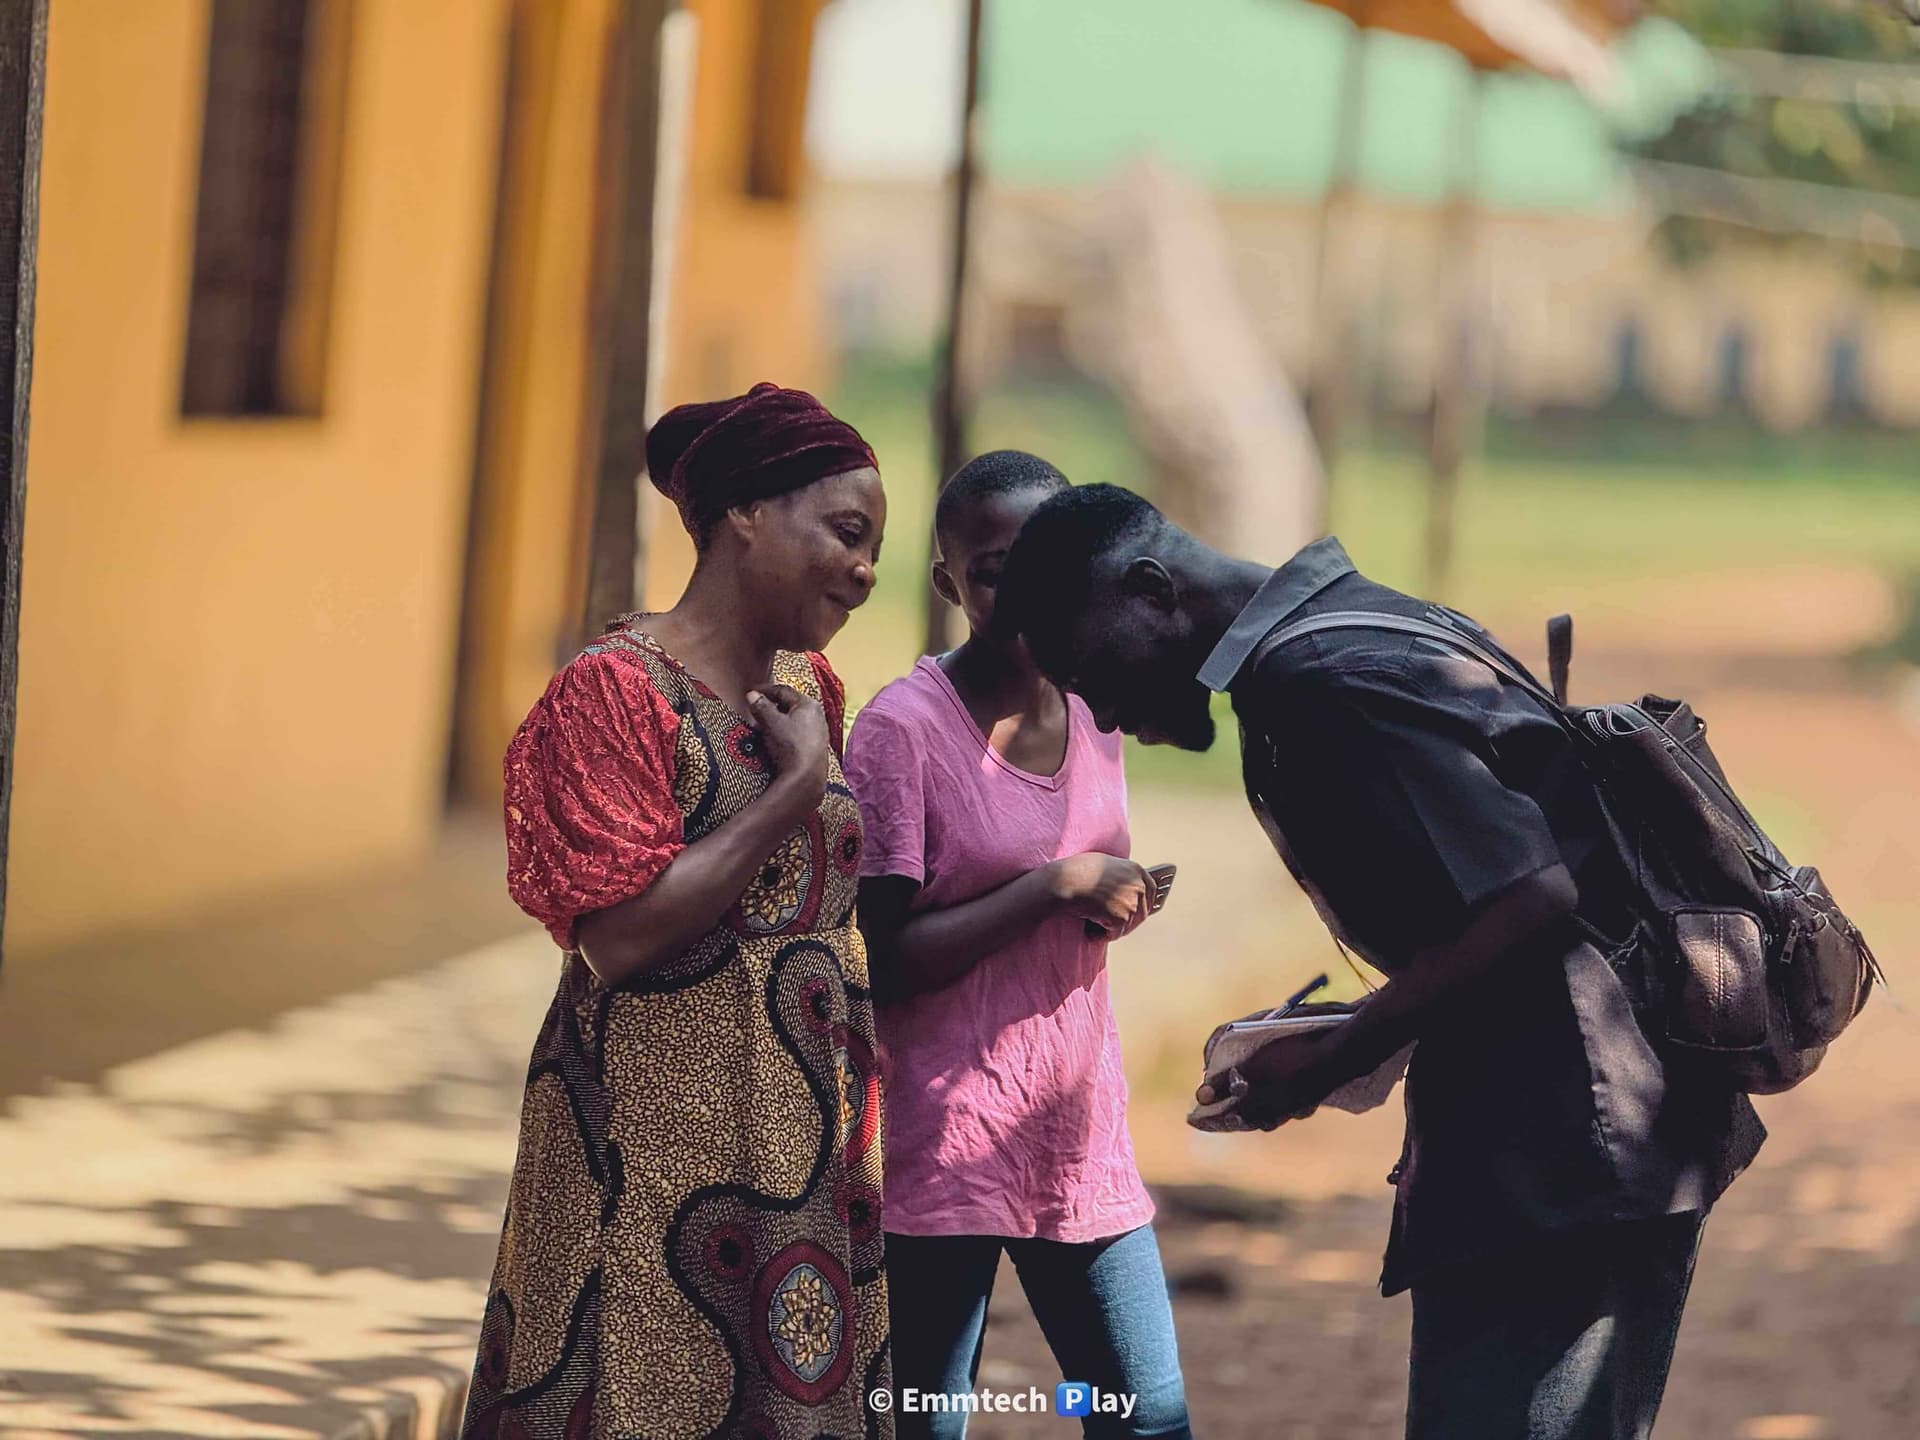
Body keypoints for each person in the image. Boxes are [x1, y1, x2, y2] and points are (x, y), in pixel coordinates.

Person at [994, 484, 1765, 1440]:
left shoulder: (1322, 677)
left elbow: (1534, 895)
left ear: (1153, 590)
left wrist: (1338, 1051)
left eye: (1090, 670)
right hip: (1570, 1132)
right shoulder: (1354, 620)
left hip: (1574, 1151)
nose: (1102, 711)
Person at [461, 383, 893, 1440]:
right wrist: (791, 794)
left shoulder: (809, 685)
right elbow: (621, 935)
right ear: (746, 512)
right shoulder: (617, 692)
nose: (866, 568)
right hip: (652, 1153)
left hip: (801, 1141)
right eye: (844, 531)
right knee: (640, 1393)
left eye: (873, 545)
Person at [842, 452, 1193, 1440]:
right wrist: (1050, 888)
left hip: (1075, 1133)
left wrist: (1097, 904)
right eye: (995, 569)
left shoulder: (1094, 706)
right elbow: (887, 956)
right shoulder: (903, 734)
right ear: (949, 581)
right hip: (941, 1144)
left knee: (1135, 1415)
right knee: (928, 1423)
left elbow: (1066, 880)